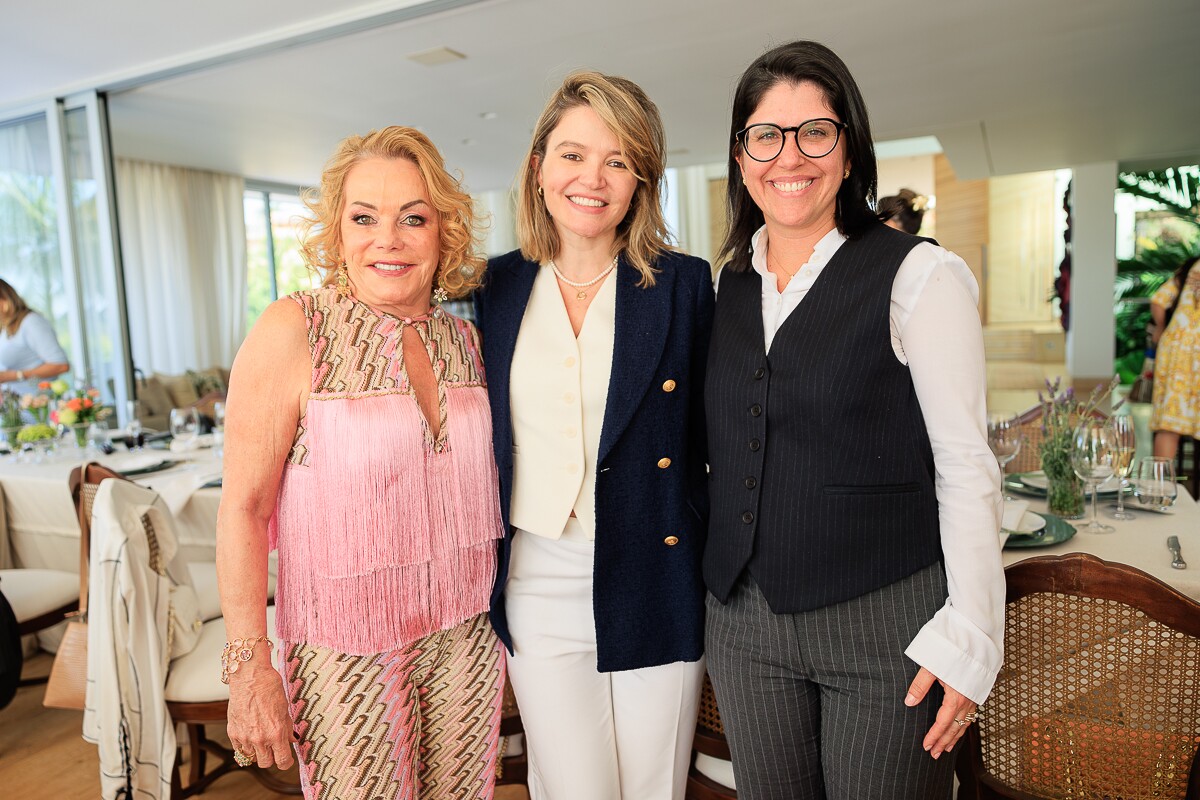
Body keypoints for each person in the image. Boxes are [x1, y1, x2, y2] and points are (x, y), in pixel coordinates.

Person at [703, 40, 1004, 798]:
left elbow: (967, 465)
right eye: (766, 135)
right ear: (742, 157)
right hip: (745, 626)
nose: (789, 156)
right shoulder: (727, 283)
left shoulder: (919, 276)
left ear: (848, 147)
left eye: (816, 132)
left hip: (884, 629)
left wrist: (972, 637)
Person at [216, 126, 505, 800]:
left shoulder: (467, 340)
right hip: (346, 654)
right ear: (337, 231)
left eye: (414, 218)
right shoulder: (295, 329)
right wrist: (250, 666)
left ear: (443, 230)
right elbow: (243, 509)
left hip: (467, 640)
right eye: (364, 218)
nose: (390, 239)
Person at [474, 71, 713, 800]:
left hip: (657, 573)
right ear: (539, 166)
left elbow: (721, 435)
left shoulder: (683, 285)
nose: (593, 177)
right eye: (573, 154)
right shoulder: (492, 288)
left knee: (652, 787)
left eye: (617, 160)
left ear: (641, 179)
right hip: (536, 582)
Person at [1149, 254, 1200, 458]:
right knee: (1170, 425)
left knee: (1169, 422)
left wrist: (1161, 327)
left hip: (1176, 345)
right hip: (1190, 351)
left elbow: (1158, 301)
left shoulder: (1192, 266)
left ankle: (1160, 484)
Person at [0, 278, 69, 394]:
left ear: (5, 300)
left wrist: (14, 375)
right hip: (18, 406)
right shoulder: (7, 327)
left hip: (39, 406)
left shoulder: (31, 322)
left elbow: (61, 365)